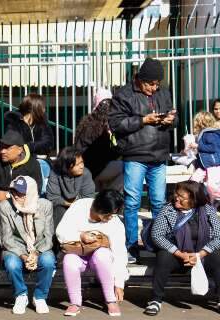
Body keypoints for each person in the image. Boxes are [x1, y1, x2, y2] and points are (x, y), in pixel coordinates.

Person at [108, 57, 177, 264]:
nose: (154, 88)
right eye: (151, 84)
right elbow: (115, 123)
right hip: (135, 155)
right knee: (132, 202)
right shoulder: (123, 94)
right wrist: (142, 120)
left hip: (159, 155)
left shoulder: (163, 92)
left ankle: (159, 244)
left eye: (157, 84)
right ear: (140, 80)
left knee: (158, 202)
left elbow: (176, 119)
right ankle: (131, 246)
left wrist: (170, 121)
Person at [144, 181, 220, 316]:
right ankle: (155, 300)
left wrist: (200, 254)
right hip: (178, 255)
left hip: (201, 255)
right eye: (176, 194)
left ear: (194, 199)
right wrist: (180, 254)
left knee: (217, 257)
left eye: (182, 197)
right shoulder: (167, 210)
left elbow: (218, 236)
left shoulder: (208, 210)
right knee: (163, 257)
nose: (176, 198)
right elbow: (157, 235)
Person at [57, 190, 128, 317]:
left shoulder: (115, 222)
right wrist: (80, 236)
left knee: (103, 255)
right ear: (99, 208)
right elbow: (61, 231)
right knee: (69, 260)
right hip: (78, 253)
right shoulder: (80, 206)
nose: (111, 217)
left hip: (100, 257)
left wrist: (119, 283)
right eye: (109, 214)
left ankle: (110, 300)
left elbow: (120, 253)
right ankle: (75, 303)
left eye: (113, 213)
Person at [0, 130, 42, 264]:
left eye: (7, 147)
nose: (2, 151)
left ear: (20, 149)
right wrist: (13, 196)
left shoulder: (33, 164)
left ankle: (34, 250)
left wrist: (7, 195)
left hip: (25, 205)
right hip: (2, 204)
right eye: (1, 147)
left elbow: (35, 190)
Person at [0, 176, 55, 315]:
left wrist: (35, 254)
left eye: (21, 193)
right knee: (12, 264)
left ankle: (40, 296)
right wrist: (25, 257)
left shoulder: (45, 205)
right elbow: (7, 238)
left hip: (40, 246)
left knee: (48, 261)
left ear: (30, 193)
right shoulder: (5, 206)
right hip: (16, 247)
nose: (16, 196)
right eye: (14, 192)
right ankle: (21, 295)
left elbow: (48, 237)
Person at [75, 88, 123, 192]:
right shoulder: (103, 127)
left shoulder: (86, 122)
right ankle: (113, 198)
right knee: (126, 167)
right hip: (96, 168)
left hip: (86, 168)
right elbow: (107, 153)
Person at [5, 93, 54, 193]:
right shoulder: (15, 123)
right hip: (21, 161)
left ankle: (42, 195)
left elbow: (49, 143)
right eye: (43, 107)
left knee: (42, 166)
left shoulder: (42, 122)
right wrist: (35, 147)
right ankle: (40, 195)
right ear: (35, 108)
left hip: (41, 160)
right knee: (35, 165)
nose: (44, 110)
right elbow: (15, 145)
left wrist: (29, 146)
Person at [46, 147, 95, 228]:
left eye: (82, 162)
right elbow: (52, 197)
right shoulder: (55, 173)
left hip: (80, 207)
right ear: (67, 166)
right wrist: (68, 204)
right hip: (61, 207)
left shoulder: (86, 173)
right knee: (59, 211)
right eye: (77, 164)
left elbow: (88, 197)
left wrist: (73, 205)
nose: (82, 166)